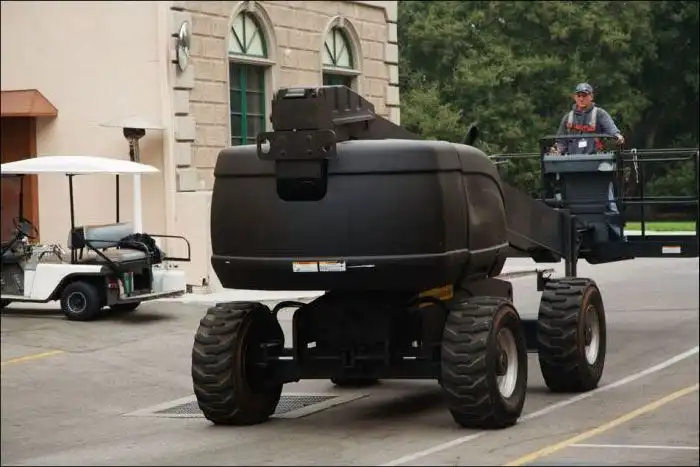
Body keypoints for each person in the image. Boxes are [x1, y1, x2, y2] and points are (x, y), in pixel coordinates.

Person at [552, 83, 624, 155]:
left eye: (584, 96)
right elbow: (561, 141)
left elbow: (611, 129)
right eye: (578, 96)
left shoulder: (599, 113)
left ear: (591, 97)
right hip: (572, 158)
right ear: (575, 97)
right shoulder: (568, 117)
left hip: (595, 158)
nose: (581, 99)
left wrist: (617, 136)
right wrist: (558, 150)